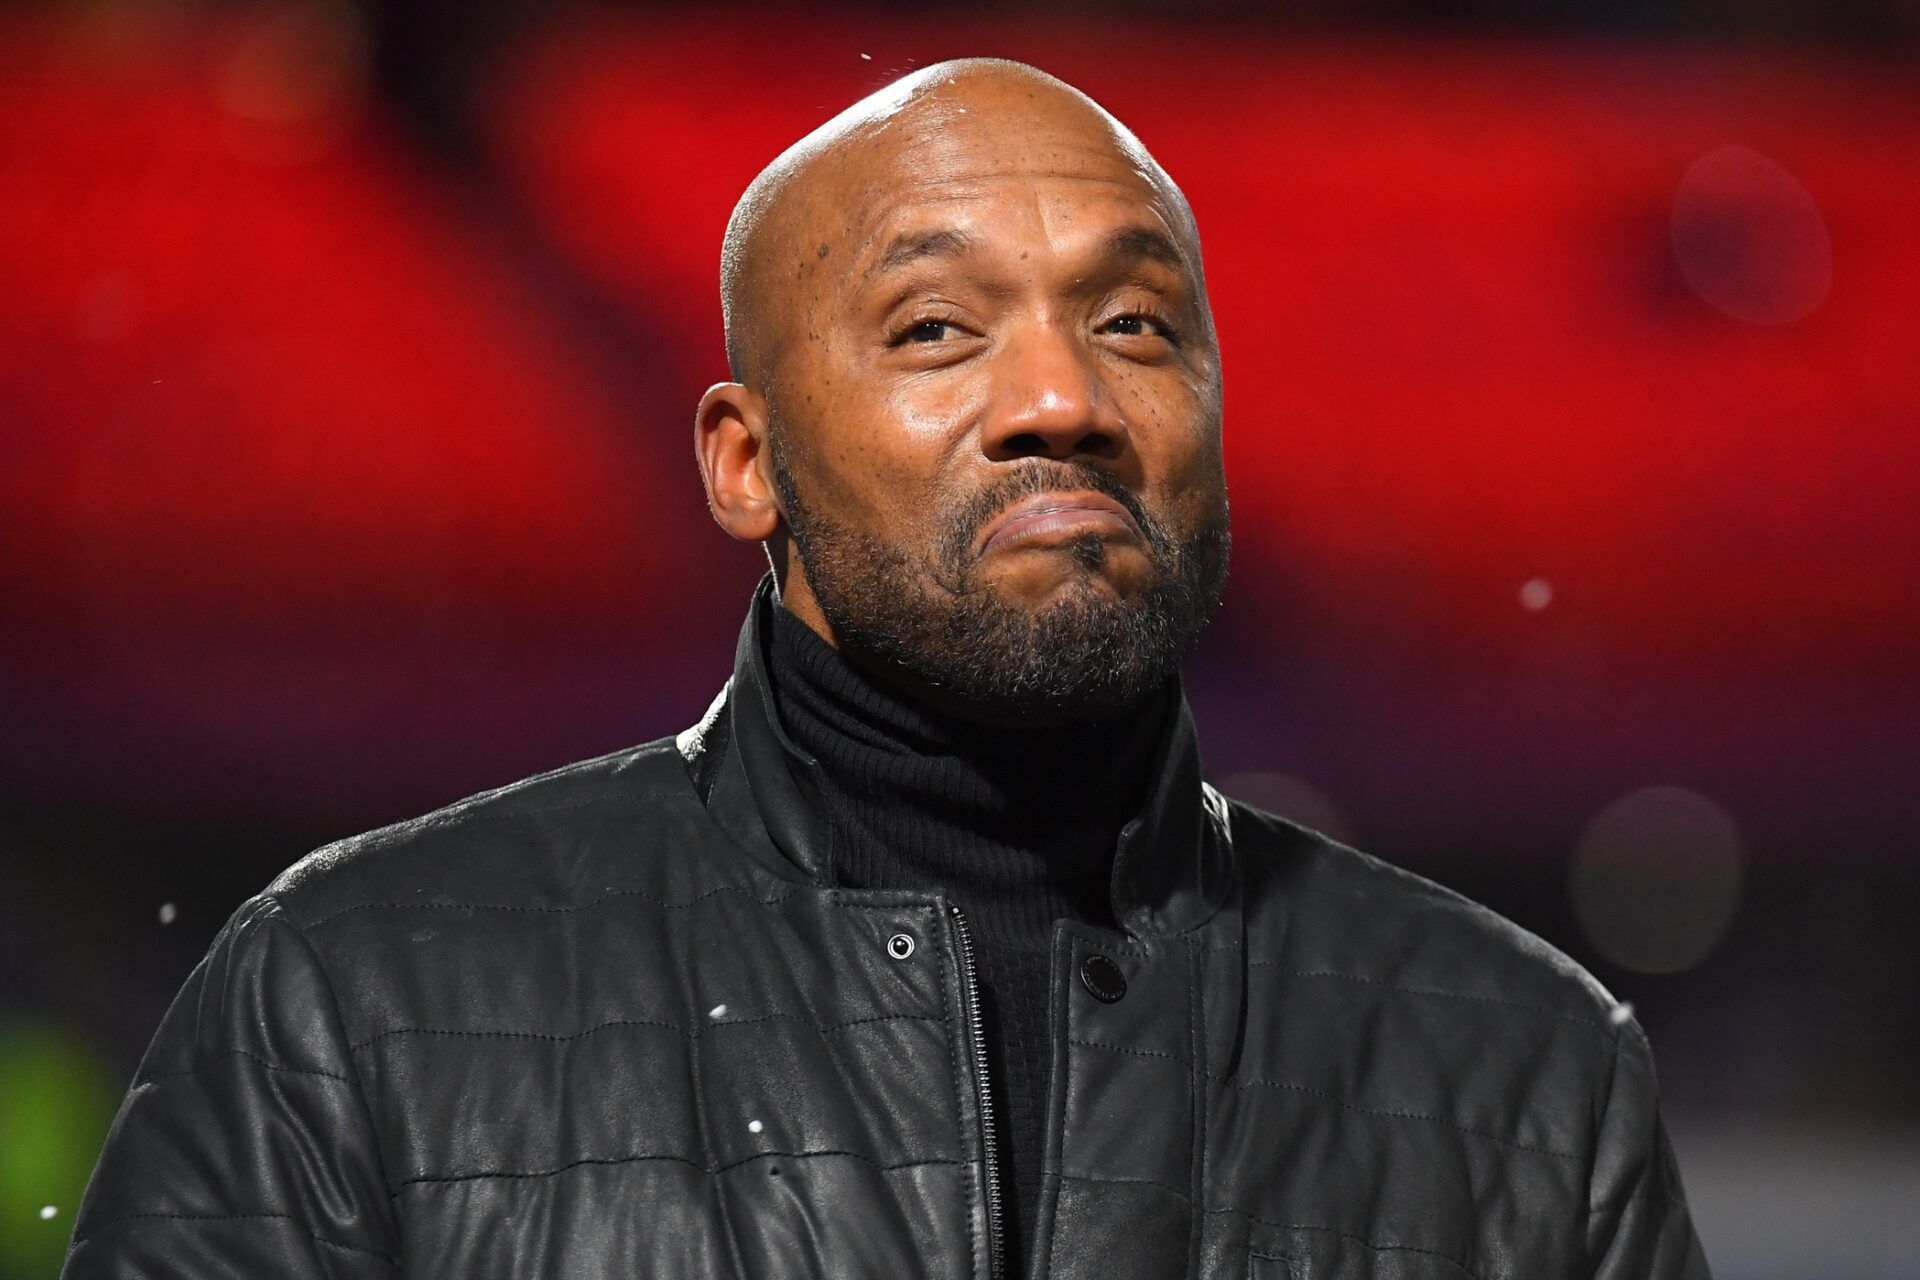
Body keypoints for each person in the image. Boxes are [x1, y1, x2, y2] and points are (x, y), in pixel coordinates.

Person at [63, 58, 1711, 1280]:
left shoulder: (1531, 1075)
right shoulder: (348, 1007)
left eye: (1137, 325)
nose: (1062, 397)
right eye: (936, 329)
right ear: (742, 462)